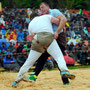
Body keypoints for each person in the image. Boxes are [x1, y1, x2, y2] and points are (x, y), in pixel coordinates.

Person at [12, 13, 75, 87]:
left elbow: (31, 37)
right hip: (48, 37)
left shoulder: (30, 24)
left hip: (37, 40)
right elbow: (58, 21)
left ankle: (16, 81)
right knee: (59, 57)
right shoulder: (46, 16)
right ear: (38, 15)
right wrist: (62, 27)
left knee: (28, 62)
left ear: (31, 18)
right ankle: (64, 70)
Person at [28, 2, 70, 85]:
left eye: (43, 7)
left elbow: (64, 20)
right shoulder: (42, 16)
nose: (41, 9)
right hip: (48, 39)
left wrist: (57, 31)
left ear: (48, 7)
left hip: (59, 38)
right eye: (40, 8)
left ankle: (65, 80)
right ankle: (34, 75)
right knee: (42, 56)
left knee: (59, 59)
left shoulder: (54, 11)